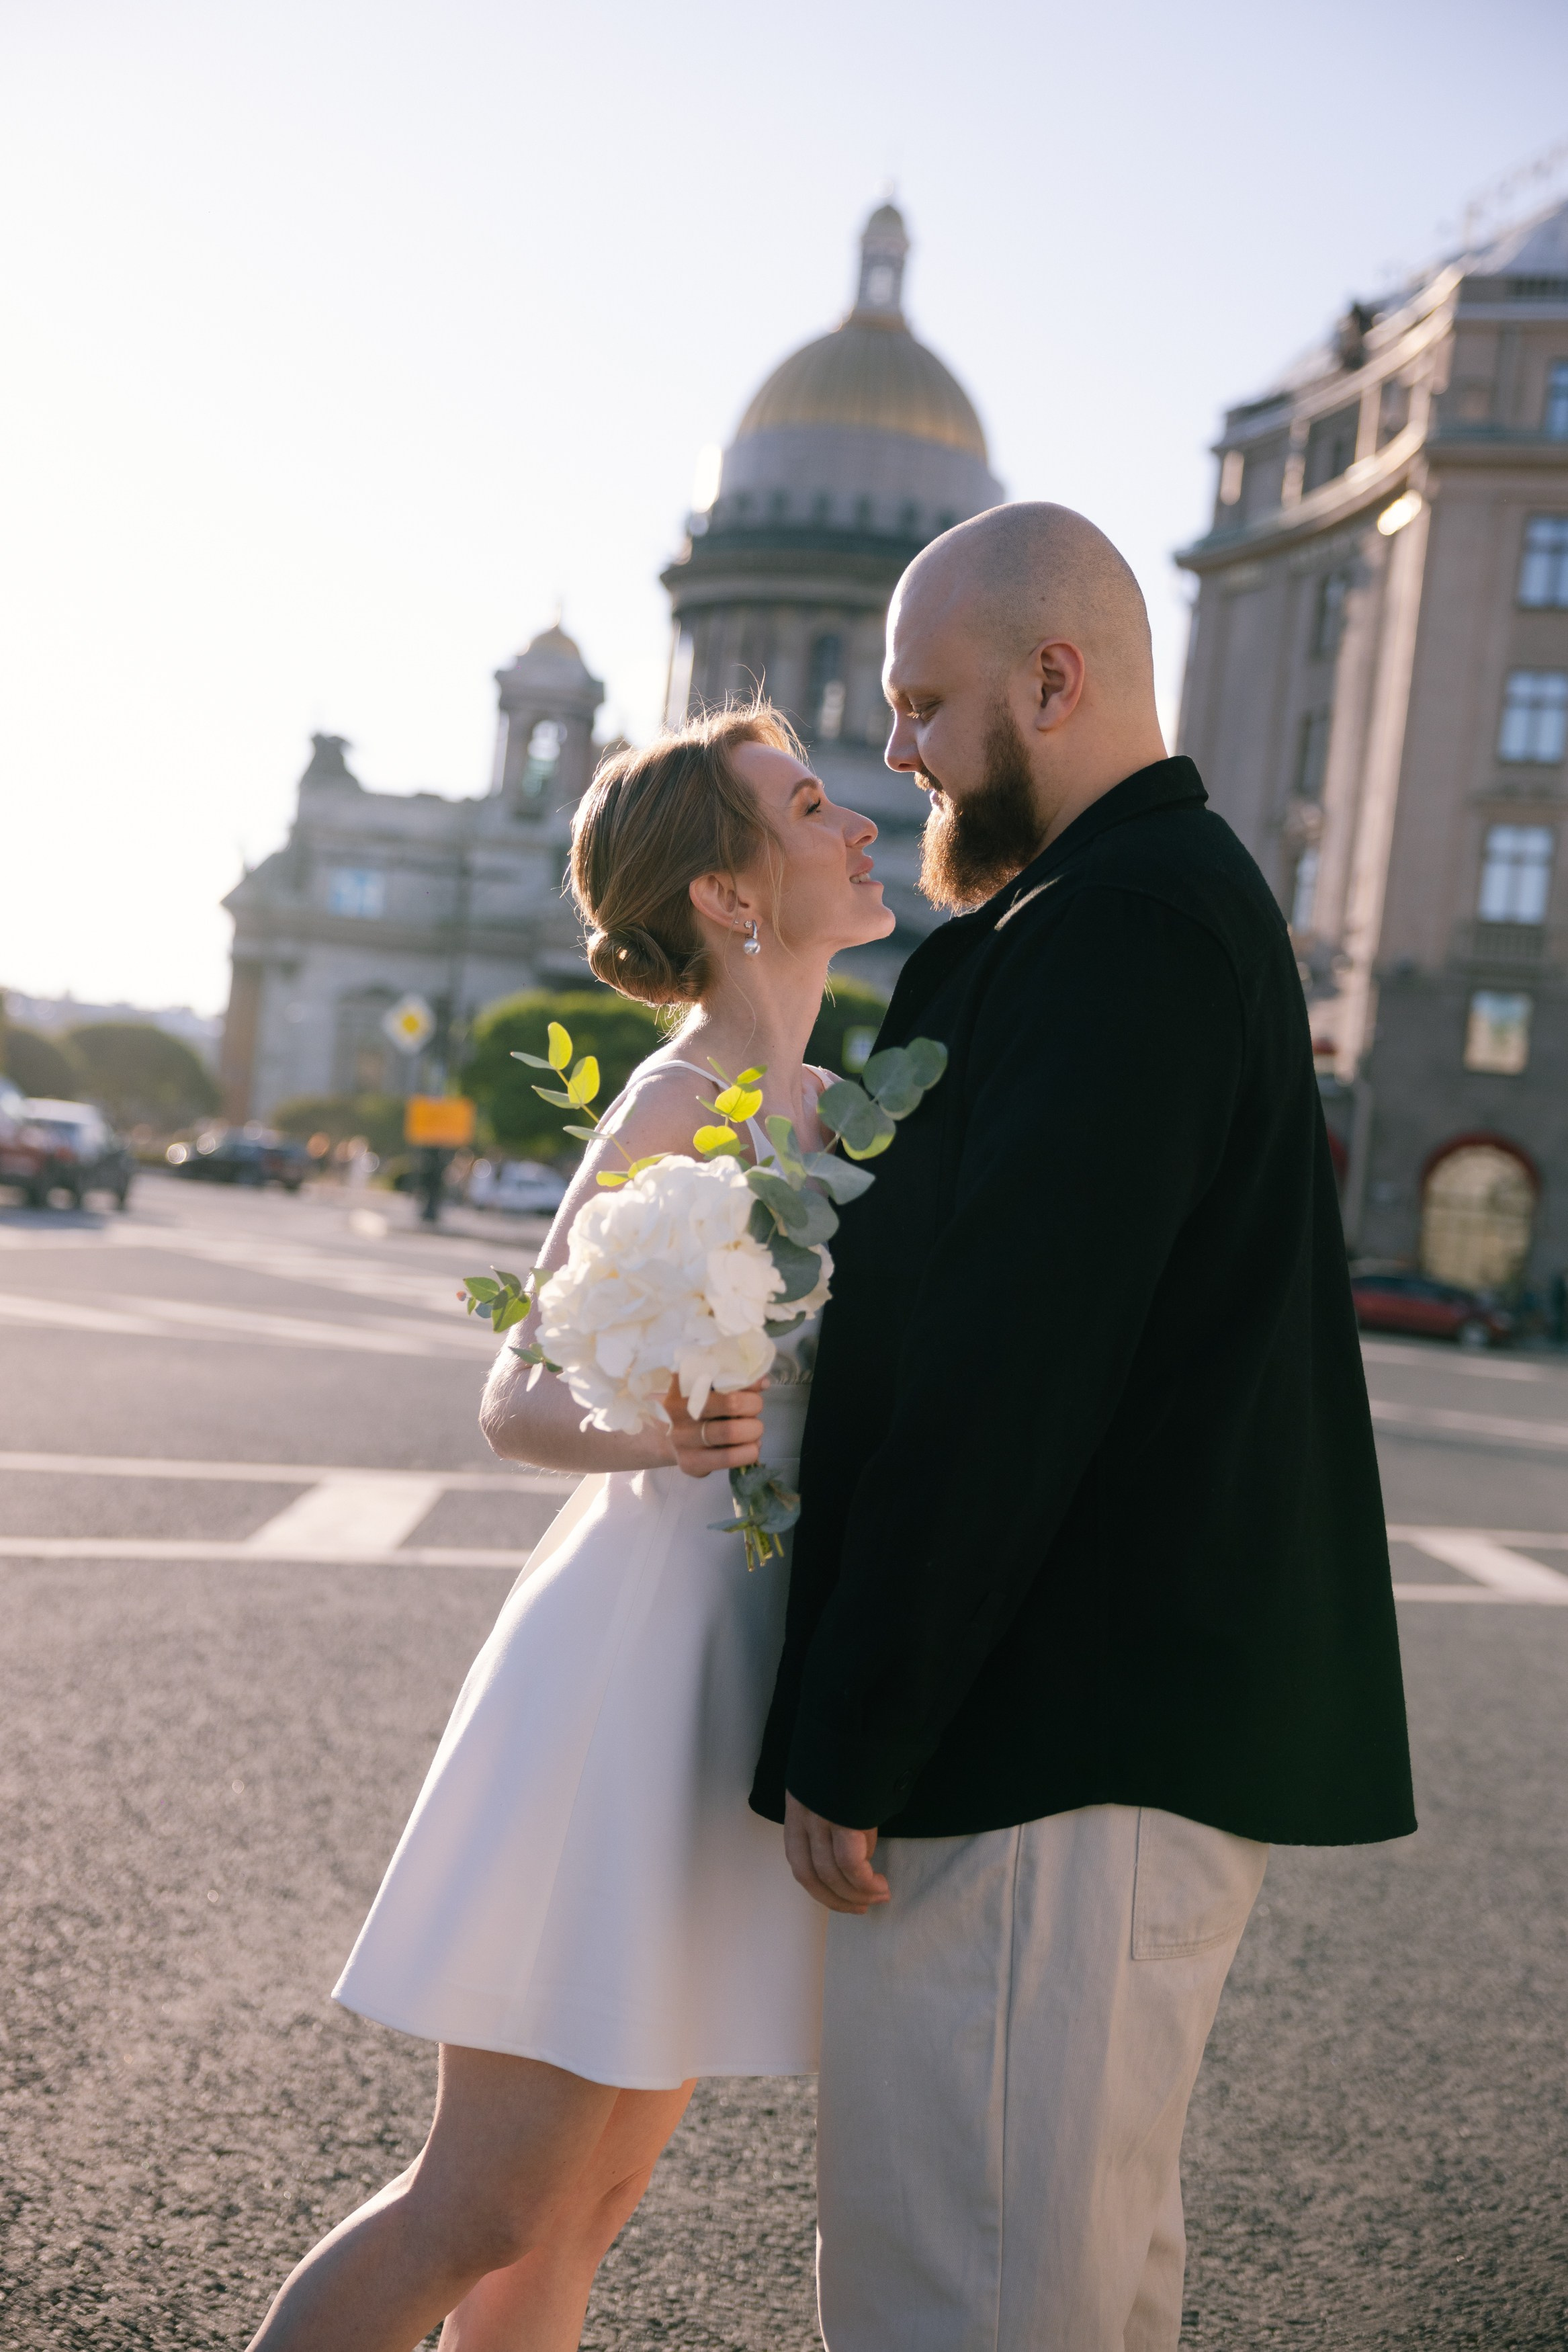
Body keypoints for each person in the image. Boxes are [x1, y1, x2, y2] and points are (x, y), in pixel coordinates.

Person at [750, 501, 1417, 2352]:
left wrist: (854, 1722)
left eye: (920, 701)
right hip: (1094, 1737)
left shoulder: (1111, 922)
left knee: (960, 2289)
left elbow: (1013, 1354)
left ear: (1050, 680)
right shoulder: (1138, 902)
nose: (890, 752)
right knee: (1067, 2274)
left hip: (1047, 1743)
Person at [246, 704, 897, 2352]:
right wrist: (650, 1436)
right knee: (483, 2204)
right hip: (627, 1675)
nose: (860, 826)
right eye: (814, 806)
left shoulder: (834, 1105)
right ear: (730, 897)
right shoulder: (676, 1108)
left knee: (583, 2218)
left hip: (734, 1694)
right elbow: (514, 1398)